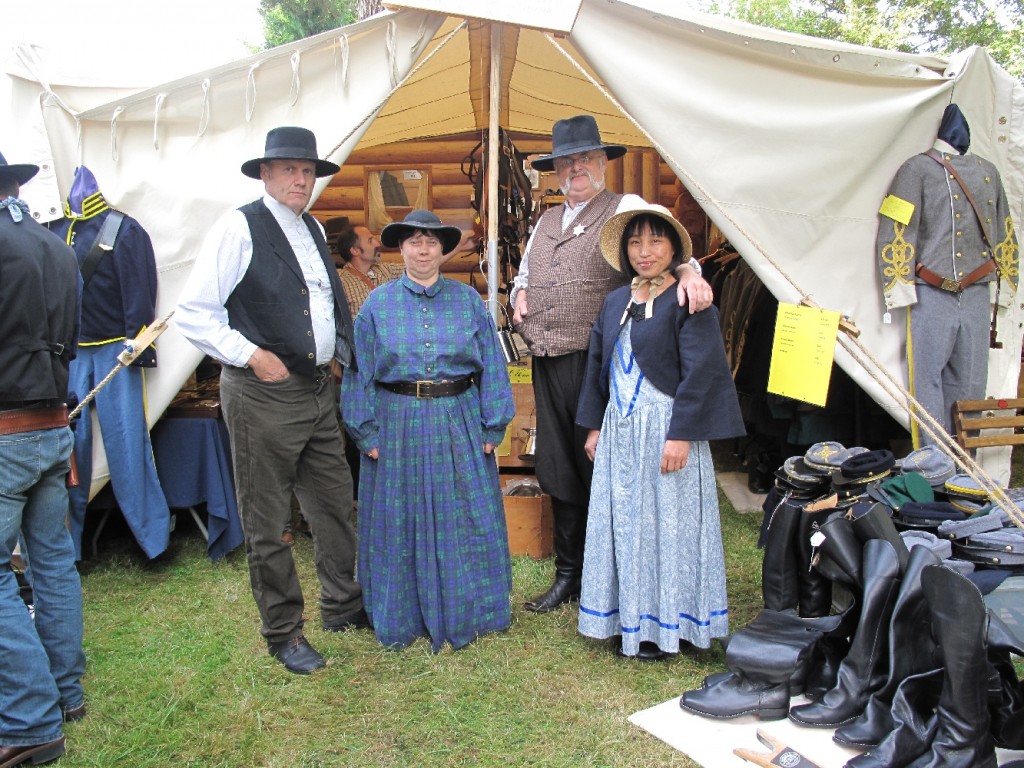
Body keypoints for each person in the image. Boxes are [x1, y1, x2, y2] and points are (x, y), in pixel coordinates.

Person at [176, 126, 366, 675]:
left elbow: (324, 303)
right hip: (262, 395)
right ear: (265, 173)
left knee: (333, 504)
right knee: (268, 520)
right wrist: (250, 354)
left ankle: (344, 605)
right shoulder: (239, 226)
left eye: (307, 171)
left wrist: (336, 355)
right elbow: (195, 311)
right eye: (288, 169)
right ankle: (283, 633)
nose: (300, 179)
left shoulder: (308, 226)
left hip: (315, 392)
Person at [510, 114, 714, 613]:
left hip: (600, 363)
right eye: (566, 161)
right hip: (548, 359)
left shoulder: (625, 206)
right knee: (557, 465)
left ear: (602, 163)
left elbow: (666, 243)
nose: (575, 168)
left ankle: (615, 572)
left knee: (600, 464)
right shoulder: (545, 221)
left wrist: (690, 273)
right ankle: (569, 574)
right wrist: (519, 293)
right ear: (555, 170)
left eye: (584, 158)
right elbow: (525, 274)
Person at [341, 209, 515, 652]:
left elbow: (492, 365)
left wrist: (493, 423)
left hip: (458, 417)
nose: (423, 249)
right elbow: (358, 372)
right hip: (396, 420)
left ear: (443, 249)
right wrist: (366, 433)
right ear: (401, 249)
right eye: (414, 241)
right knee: (399, 518)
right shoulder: (377, 305)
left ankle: (471, 609)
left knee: (465, 514)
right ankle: (402, 615)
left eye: (431, 241)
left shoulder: (468, 301)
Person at [576, 203, 744, 660]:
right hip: (621, 430)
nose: (644, 251)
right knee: (626, 524)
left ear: (673, 248)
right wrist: (594, 426)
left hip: (666, 428)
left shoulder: (690, 299)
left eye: (654, 241)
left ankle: (669, 624)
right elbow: (598, 364)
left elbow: (703, 371)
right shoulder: (616, 302)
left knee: (667, 527)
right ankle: (627, 617)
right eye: (635, 242)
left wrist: (681, 435)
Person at [0, 150, 85, 765]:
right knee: (53, 561)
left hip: (7, 425)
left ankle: (30, 721)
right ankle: (64, 691)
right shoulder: (55, 244)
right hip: (52, 421)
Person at [877, 103, 1018, 447]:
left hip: (976, 290)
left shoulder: (988, 171)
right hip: (930, 290)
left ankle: (966, 468)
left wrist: (1007, 291)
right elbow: (896, 228)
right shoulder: (914, 170)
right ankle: (934, 463)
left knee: (971, 383)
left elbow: (1004, 232)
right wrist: (898, 284)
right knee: (925, 383)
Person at [50, 164, 170, 561]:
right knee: (69, 452)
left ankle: (153, 542)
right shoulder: (53, 231)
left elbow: (140, 288)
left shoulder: (124, 229)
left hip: (115, 350)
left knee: (128, 445)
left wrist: (137, 345)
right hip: (67, 353)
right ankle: (68, 548)